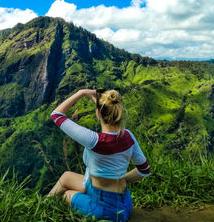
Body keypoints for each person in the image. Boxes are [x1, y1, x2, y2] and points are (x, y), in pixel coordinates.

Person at [48, 89, 150, 222]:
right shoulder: (128, 136)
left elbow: (56, 115)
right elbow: (144, 170)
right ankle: (42, 203)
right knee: (67, 176)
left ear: (98, 113)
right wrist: (121, 179)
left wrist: (82, 92)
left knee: (66, 195)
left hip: (107, 211)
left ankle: (41, 209)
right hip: (125, 204)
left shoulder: (94, 140)